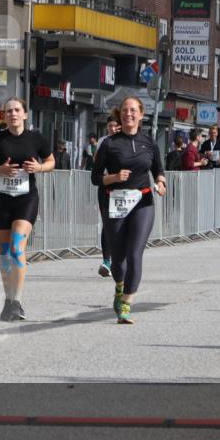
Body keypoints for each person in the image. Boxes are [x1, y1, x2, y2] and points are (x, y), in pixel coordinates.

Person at [91, 96, 166, 325]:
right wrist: (113, 177)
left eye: (133, 110)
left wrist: (161, 183)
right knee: (118, 260)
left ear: (141, 114)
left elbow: (159, 170)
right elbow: (95, 177)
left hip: (143, 202)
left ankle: (126, 303)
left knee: (135, 254)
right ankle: (120, 287)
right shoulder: (109, 143)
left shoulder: (149, 143)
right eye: (125, 110)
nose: (129, 114)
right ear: (120, 115)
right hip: (116, 203)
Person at [0, 98, 54, 321]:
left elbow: (52, 161)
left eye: (17, 110)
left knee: (16, 248)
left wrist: (39, 167)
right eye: (9, 111)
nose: (13, 114)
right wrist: (1, 169)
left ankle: (17, 301)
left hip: (26, 199)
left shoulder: (36, 138)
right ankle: (8, 299)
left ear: (25, 114)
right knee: (4, 254)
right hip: (3, 200)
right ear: (4, 116)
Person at [94, 111, 121, 278]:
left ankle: (120, 259)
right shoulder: (103, 142)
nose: (112, 128)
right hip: (105, 185)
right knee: (107, 223)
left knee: (121, 224)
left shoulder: (126, 140)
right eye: (109, 126)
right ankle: (106, 261)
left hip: (123, 187)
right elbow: (97, 164)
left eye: (114, 125)